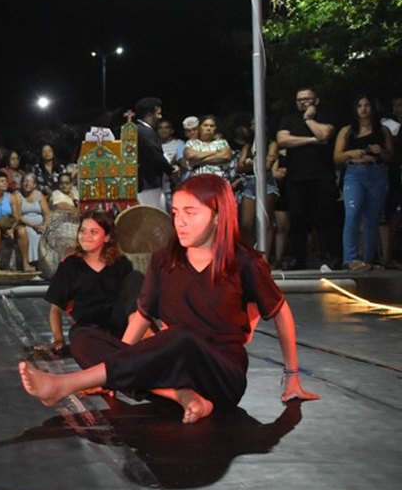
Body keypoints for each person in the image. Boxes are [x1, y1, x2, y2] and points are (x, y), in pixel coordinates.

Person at [19, 175, 320, 424]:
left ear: (218, 216)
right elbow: (142, 315)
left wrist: (292, 375)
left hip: (220, 374)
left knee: (182, 336)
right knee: (84, 337)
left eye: (191, 213)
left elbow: (281, 312)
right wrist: (121, 363)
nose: (180, 222)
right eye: (176, 213)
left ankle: (67, 384)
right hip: (172, 365)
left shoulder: (245, 264)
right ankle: (181, 395)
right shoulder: (164, 260)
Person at [40, 210, 141, 355]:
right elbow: (55, 307)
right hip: (86, 328)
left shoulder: (121, 263)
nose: (86, 236)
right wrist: (58, 339)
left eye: (93, 232)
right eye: (83, 231)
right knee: (80, 339)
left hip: (117, 326)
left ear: (107, 237)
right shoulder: (70, 265)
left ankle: (131, 341)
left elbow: (130, 299)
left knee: (136, 278)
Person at [276, 88, 341, 269]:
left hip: (322, 176)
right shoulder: (288, 120)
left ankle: (333, 256)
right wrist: (311, 140)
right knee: (297, 220)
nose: (303, 102)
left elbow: (324, 134)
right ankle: (297, 258)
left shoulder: (325, 116)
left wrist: (308, 119)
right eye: (299, 100)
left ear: (316, 100)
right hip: (296, 177)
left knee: (327, 217)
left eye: (307, 99)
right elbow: (283, 140)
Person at [334, 94, 394, 270]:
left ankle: (368, 259)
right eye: (360, 106)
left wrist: (380, 151)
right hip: (355, 172)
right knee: (352, 213)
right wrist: (350, 153)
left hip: (377, 172)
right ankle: (350, 258)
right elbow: (337, 156)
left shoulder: (382, 130)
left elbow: (390, 157)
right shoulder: (347, 131)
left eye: (367, 105)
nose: (364, 109)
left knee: (372, 217)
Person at [134, 97, 174, 208]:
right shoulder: (145, 132)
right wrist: (170, 170)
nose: (160, 117)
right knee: (153, 215)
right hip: (148, 183)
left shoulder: (138, 129)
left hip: (144, 184)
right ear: (149, 115)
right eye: (158, 113)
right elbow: (155, 155)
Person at [15, 173, 51, 271]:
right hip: (25, 223)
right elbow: (18, 216)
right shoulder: (17, 195)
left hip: (40, 224)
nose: (27, 184)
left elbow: (47, 214)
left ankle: (44, 262)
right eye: (25, 181)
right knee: (30, 233)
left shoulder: (39, 195)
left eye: (30, 182)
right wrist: (32, 226)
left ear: (35, 185)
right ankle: (32, 262)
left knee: (46, 233)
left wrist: (44, 225)